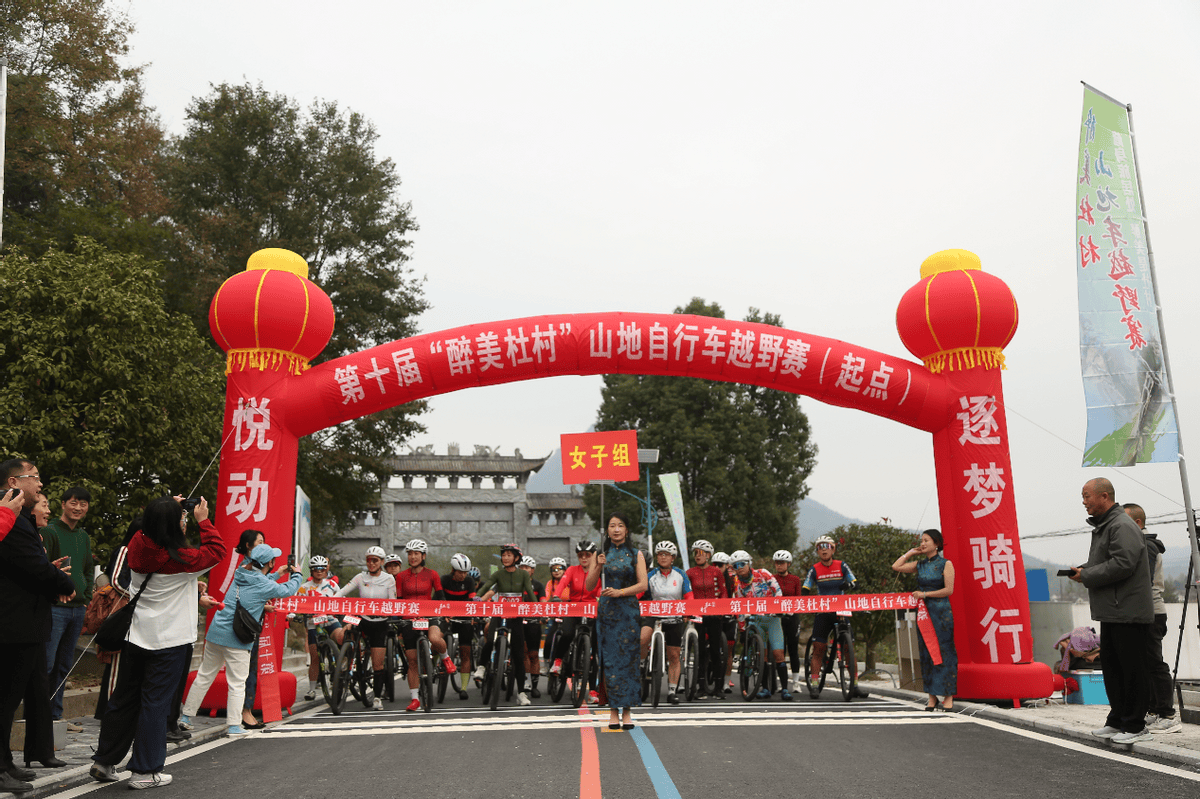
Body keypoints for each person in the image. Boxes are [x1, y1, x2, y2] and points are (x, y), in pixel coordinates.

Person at [91, 495, 227, 789]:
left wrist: (166, 507)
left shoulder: (137, 546)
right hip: (171, 640)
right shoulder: (183, 559)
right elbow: (217, 550)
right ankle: (144, 771)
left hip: (136, 635)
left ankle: (104, 761)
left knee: (124, 699)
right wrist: (204, 519)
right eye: (181, 517)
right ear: (173, 525)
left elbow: (148, 529)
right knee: (155, 704)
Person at [1, 461, 74, 793]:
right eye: (36, 480)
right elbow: (30, 565)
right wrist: (61, 582)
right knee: (5, 699)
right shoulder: (9, 516)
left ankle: (5, 764)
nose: (41, 486)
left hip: (24, 621)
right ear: (14, 481)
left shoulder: (15, 517)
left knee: (13, 697)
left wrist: (52, 576)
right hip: (13, 623)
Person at [180, 544, 302, 734]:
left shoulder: (240, 572)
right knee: (237, 682)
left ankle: (186, 716)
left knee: (204, 675)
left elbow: (261, 580)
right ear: (269, 562)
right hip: (238, 637)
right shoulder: (263, 584)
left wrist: (277, 573)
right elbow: (287, 590)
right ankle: (234, 726)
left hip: (216, 632)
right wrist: (297, 574)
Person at [1069, 478, 1154, 744]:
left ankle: (1136, 725)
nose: (1083, 502)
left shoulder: (1121, 524)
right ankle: (1118, 720)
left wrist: (1089, 574)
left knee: (1132, 669)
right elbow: (1107, 562)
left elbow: (1123, 564)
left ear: (1104, 496)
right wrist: (1084, 571)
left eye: (1087, 496)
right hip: (1113, 610)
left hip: (1128, 609)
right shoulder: (1107, 525)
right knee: (1115, 669)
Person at [1123, 503, 1183, 734]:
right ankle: (1154, 710)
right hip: (1142, 612)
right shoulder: (1140, 544)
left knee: (1154, 663)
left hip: (1151, 612)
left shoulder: (1146, 546)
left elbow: (1142, 579)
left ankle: (1168, 714)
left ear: (1138, 524)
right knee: (1144, 664)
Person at [586, 512, 648, 729]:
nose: (616, 529)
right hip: (607, 614)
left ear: (627, 530)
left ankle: (628, 711)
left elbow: (643, 585)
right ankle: (613, 711)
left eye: (620, 525)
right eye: (612, 525)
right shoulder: (600, 553)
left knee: (629, 660)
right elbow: (589, 586)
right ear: (607, 530)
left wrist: (620, 592)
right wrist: (597, 566)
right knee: (609, 661)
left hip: (628, 611)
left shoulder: (635, 554)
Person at [40, 485, 94, 728]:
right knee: (47, 664)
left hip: (78, 608)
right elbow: (44, 568)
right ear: (62, 504)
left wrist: (87, 593)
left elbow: (87, 569)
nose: (78, 508)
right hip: (55, 608)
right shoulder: (50, 531)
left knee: (64, 665)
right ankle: (39, 716)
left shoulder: (83, 537)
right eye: (73, 502)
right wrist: (55, 591)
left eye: (83, 504)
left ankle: (55, 717)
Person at [891, 529, 957, 711]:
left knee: (944, 652)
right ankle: (932, 696)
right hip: (924, 613)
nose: (923, 543)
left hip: (941, 613)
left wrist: (925, 594)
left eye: (926, 540)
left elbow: (949, 590)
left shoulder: (946, 564)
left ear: (936, 544)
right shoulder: (919, 564)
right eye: (922, 540)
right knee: (926, 652)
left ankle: (948, 695)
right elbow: (896, 567)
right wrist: (911, 552)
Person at [396, 539, 457, 710]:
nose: (413, 557)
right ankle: (415, 698)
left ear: (423, 556)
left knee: (435, 638)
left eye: (416, 554)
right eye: (410, 554)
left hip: (429, 613)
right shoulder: (401, 576)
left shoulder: (432, 574)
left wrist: (445, 613)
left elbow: (440, 596)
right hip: (408, 617)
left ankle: (446, 659)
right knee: (412, 661)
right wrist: (400, 622)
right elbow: (399, 600)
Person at [334, 546, 397, 710]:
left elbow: (393, 602)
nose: (371, 563)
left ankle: (377, 697)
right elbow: (341, 592)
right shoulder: (360, 577)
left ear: (382, 562)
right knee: (344, 632)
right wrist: (329, 602)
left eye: (375, 560)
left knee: (378, 664)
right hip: (362, 619)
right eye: (369, 560)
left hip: (380, 623)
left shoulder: (389, 579)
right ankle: (346, 661)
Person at [477, 544, 538, 705]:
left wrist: (538, 608)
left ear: (516, 558)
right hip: (499, 615)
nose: (505, 558)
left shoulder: (523, 575)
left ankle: (521, 693)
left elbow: (530, 594)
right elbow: (486, 586)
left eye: (509, 555)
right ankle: (482, 667)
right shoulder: (498, 574)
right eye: (503, 555)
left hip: (516, 617)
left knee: (518, 655)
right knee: (490, 641)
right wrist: (477, 597)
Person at [729, 550, 791, 701]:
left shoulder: (763, 574)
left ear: (749, 563)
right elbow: (740, 608)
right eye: (736, 565)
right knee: (761, 656)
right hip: (756, 621)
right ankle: (765, 689)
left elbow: (777, 591)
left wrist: (778, 609)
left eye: (742, 564)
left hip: (772, 619)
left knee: (778, 654)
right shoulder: (739, 585)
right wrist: (742, 629)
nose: (739, 568)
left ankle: (784, 689)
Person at [802, 536, 857, 695]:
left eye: (826, 546)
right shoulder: (814, 568)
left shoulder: (842, 565)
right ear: (817, 551)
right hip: (823, 611)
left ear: (833, 549)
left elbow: (855, 582)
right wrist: (806, 601)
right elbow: (806, 589)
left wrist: (848, 584)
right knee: (819, 648)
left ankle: (855, 683)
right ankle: (814, 683)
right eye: (819, 547)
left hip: (841, 610)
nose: (823, 549)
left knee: (848, 647)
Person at [640, 541, 693, 705]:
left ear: (673, 558)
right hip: (653, 615)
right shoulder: (651, 575)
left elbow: (689, 595)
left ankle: (671, 690)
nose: (663, 557)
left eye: (666, 554)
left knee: (674, 655)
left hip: (674, 617)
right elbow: (640, 592)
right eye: (660, 554)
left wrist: (687, 611)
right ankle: (642, 663)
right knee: (642, 638)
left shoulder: (680, 574)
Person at [297, 556, 345, 701]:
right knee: (315, 657)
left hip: (330, 619)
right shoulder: (304, 587)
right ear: (311, 571)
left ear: (326, 570)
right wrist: (293, 614)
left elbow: (342, 599)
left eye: (322, 569)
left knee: (342, 637)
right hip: (313, 623)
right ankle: (312, 690)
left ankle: (344, 662)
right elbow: (296, 603)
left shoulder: (332, 585)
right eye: (316, 569)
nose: (319, 571)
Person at [685, 539, 728, 698]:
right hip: (697, 616)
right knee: (700, 652)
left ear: (708, 555)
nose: (697, 556)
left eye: (701, 553)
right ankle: (701, 687)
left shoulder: (716, 572)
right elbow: (687, 593)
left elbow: (723, 591)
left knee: (716, 651)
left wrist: (722, 607)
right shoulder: (690, 572)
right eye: (695, 553)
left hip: (715, 615)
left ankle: (718, 687)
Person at [441, 553, 477, 700]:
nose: (463, 575)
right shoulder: (444, 580)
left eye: (465, 572)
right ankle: (431, 665)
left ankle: (463, 688)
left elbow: (473, 600)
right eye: (460, 572)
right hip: (446, 616)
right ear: (453, 570)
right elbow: (438, 599)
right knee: (437, 639)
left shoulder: (469, 582)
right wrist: (444, 614)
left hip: (464, 618)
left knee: (465, 652)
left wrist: (473, 616)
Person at [772, 549, 803, 693]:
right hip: (777, 618)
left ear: (788, 564)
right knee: (779, 650)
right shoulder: (772, 579)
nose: (779, 566)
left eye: (782, 563)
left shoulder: (795, 579)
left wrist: (793, 609)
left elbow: (798, 597)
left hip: (792, 617)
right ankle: (780, 682)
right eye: (777, 563)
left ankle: (796, 683)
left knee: (793, 649)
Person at [519, 556, 545, 697]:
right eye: (521, 567)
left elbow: (543, 602)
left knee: (534, 655)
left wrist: (543, 615)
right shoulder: (515, 584)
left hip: (534, 622)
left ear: (532, 570)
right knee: (523, 652)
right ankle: (526, 682)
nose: (524, 570)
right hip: (518, 622)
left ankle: (535, 686)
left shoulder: (539, 585)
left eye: (527, 567)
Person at [712, 551, 737, 694]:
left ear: (727, 566)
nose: (717, 567)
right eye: (715, 565)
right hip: (714, 616)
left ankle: (726, 682)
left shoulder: (734, 579)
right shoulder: (711, 576)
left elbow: (738, 595)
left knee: (729, 652)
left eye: (720, 565)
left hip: (729, 617)